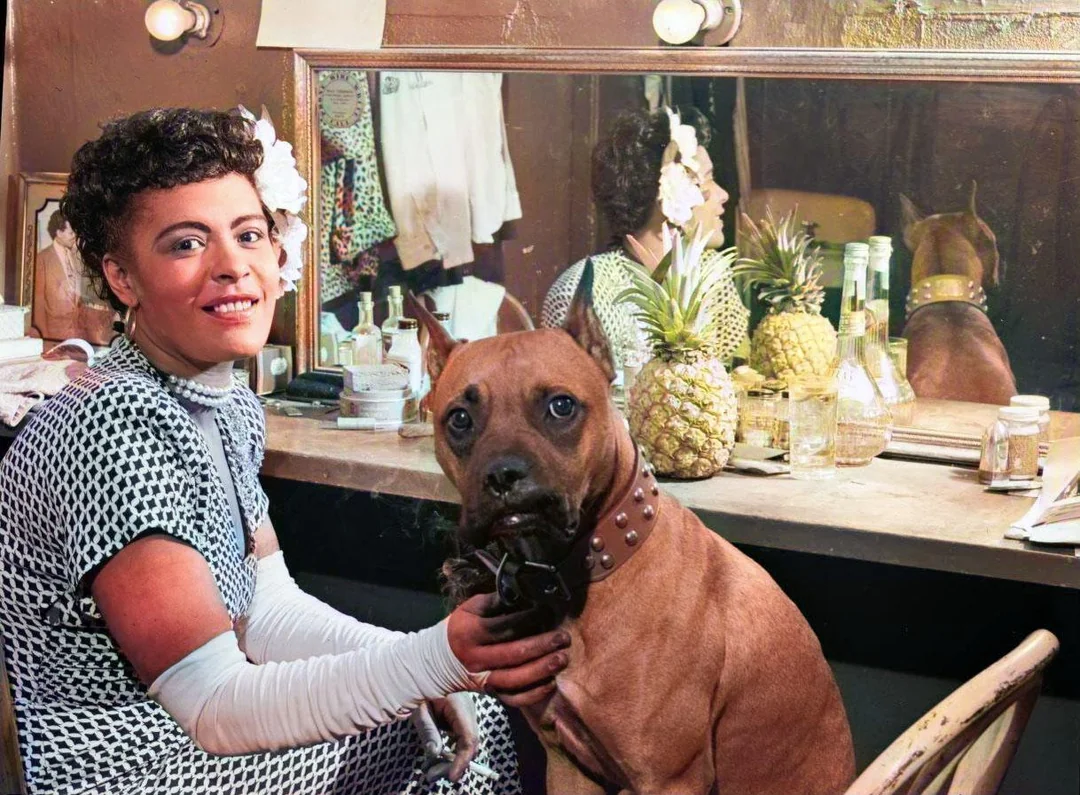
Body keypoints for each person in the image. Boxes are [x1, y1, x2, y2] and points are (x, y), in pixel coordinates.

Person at [0, 107, 569, 795]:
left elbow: (268, 612)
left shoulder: (227, 401)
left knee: (453, 716)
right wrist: (430, 661)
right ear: (123, 279)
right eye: (186, 244)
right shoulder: (113, 420)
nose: (233, 267)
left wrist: (416, 665)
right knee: (456, 748)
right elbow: (213, 705)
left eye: (248, 234)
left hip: (193, 742)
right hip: (135, 769)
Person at [540, 107, 749, 368]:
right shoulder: (581, 291)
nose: (723, 195)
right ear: (671, 193)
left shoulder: (712, 278)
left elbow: (739, 382)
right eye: (706, 180)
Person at [32, 207, 117, 345]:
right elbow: (38, 305)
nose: (74, 236)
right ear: (59, 233)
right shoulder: (42, 259)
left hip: (79, 336)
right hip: (53, 337)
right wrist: (42, 340)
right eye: (71, 232)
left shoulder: (77, 255)